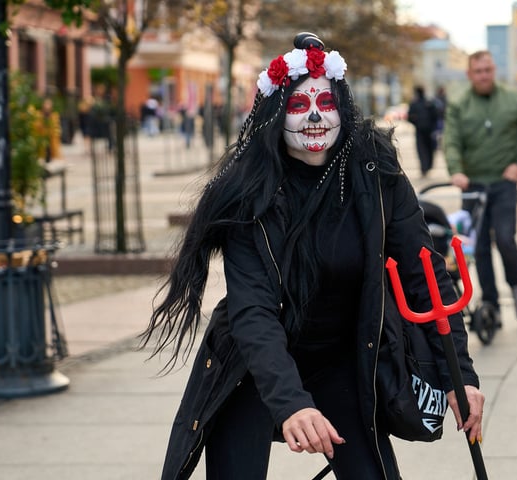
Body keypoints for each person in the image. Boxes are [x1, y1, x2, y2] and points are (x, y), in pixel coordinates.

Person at [139, 32, 485, 480]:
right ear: (275, 115)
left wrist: (462, 375)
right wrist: (291, 404)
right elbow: (253, 312)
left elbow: (425, 274)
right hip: (254, 366)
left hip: (341, 359)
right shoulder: (250, 194)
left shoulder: (376, 173)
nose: (316, 115)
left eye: (326, 102)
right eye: (299, 106)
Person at [444, 50, 517, 325]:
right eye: (478, 71)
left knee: (506, 238)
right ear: (469, 74)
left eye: (488, 70)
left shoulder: (514, 99)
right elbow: (451, 140)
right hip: (473, 184)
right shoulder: (459, 104)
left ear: (494, 70)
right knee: (480, 247)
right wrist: (456, 169)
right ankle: (491, 304)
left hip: (504, 182)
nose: (484, 75)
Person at [407, 85, 439, 177]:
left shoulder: (417, 103)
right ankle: (426, 167)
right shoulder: (428, 102)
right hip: (426, 131)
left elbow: (410, 117)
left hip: (423, 131)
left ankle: (425, 167)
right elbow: (436, 115)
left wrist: (417, 123)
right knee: (428, 149)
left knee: (423, 149)